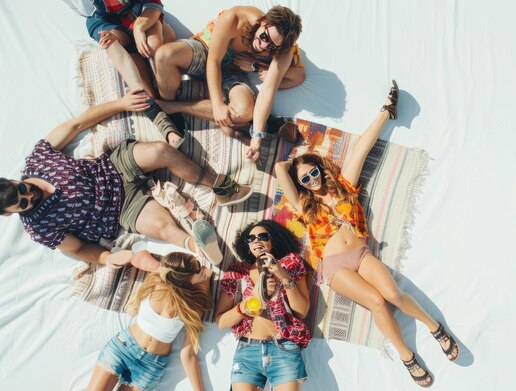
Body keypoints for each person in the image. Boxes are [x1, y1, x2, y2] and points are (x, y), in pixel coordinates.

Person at [275, 81, 460, 387]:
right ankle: (406, 356)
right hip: (335, 267)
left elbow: (362, 147)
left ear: (321, 169)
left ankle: (435, 327)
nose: (310, 179)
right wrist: (295, 158)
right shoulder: (304, 205)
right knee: (376, 301)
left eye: (313, 172)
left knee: (392, 294)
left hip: (361, 254)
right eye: (304, 178)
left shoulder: (344, 185)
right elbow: (282, 169)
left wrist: (386, 112)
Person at [0, 89, 252, 268]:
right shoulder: (39, 228)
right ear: (9, 214)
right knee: (161, 227)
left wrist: (121, 104)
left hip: (114, 167)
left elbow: (77, 125)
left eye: (23, 189)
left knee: (160, 151)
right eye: (23, 203)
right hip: (119, 209)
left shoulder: (39, 159)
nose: (30, 196)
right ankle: (199, 246)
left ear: (14, 180)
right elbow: (78, 248)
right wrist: (106, 258)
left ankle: (220, 186)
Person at [52, 252, 226, 391]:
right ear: (183, 276)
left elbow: (188, 354)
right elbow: (139, 255)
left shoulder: (194, 304)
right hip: (123, 348)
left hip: (150, 366)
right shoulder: (158, 280)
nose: (203, 268)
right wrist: (162, 268)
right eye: (198, 267)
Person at [154, 5, 304, 161]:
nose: (264, 46)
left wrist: (257, 138)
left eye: (272, 47)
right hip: (207, 51)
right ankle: (167, 109)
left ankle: (171, 108)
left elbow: (268, 90)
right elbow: (214, 60)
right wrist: (217, 104)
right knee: (164, 55)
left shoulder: (283, 50)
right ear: (263, 21)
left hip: (233, 73)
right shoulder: (237, 18)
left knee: (244, 111)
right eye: (265, 37)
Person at [214, 220, 310, 391]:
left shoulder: (291, 263)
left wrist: (282, 275)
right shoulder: (237, 273)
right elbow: (220, 321)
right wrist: (246, 305)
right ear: (247, 245)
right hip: (247, 351)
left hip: (284, 347)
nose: (257, 240)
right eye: (251, 238)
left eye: (263, 236)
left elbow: (302, 311)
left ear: (273, 241)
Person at [85, 0, 186, 148]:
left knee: (153, 45)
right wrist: (116, 37)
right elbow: (91, 13)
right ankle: (156, 112)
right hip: (110, 23)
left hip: (141, 13)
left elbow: (153, 4)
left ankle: (165, 105)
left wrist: (139, 26)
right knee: (109, 41)